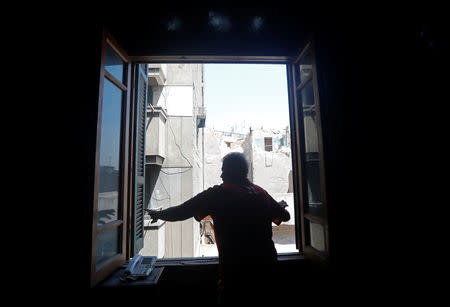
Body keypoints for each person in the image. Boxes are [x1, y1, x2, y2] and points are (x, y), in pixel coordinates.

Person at [146, 152, 290, 303]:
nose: (221, 175)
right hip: (267, 270)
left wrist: (159, 214)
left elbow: (181, 212)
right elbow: (285, 216)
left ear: (230, 172)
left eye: (223, 170)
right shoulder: (261, 193)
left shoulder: (218, 194)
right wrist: (273, 207)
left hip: (235, 274)